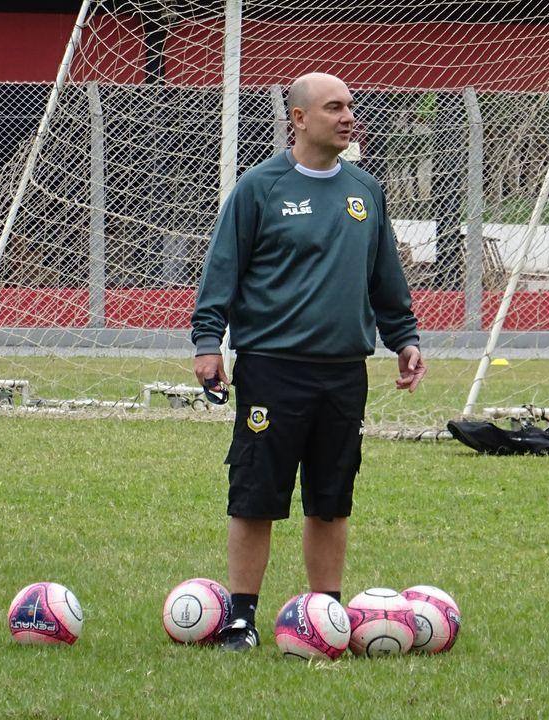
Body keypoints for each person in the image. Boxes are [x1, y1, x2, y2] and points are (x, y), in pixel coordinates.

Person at [190, 72, 426, 651]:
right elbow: (224, 268)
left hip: (344, 370)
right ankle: (241, 619)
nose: (349, 116)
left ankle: (326, 616)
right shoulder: (259, 188)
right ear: (298, 119)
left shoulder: (366, 190)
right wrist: (207, 342)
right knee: (257, 494)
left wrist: (404, 336)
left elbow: (384, 277)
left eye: (351, 105)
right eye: (334, 108)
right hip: (273, 366)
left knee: (332, 496)